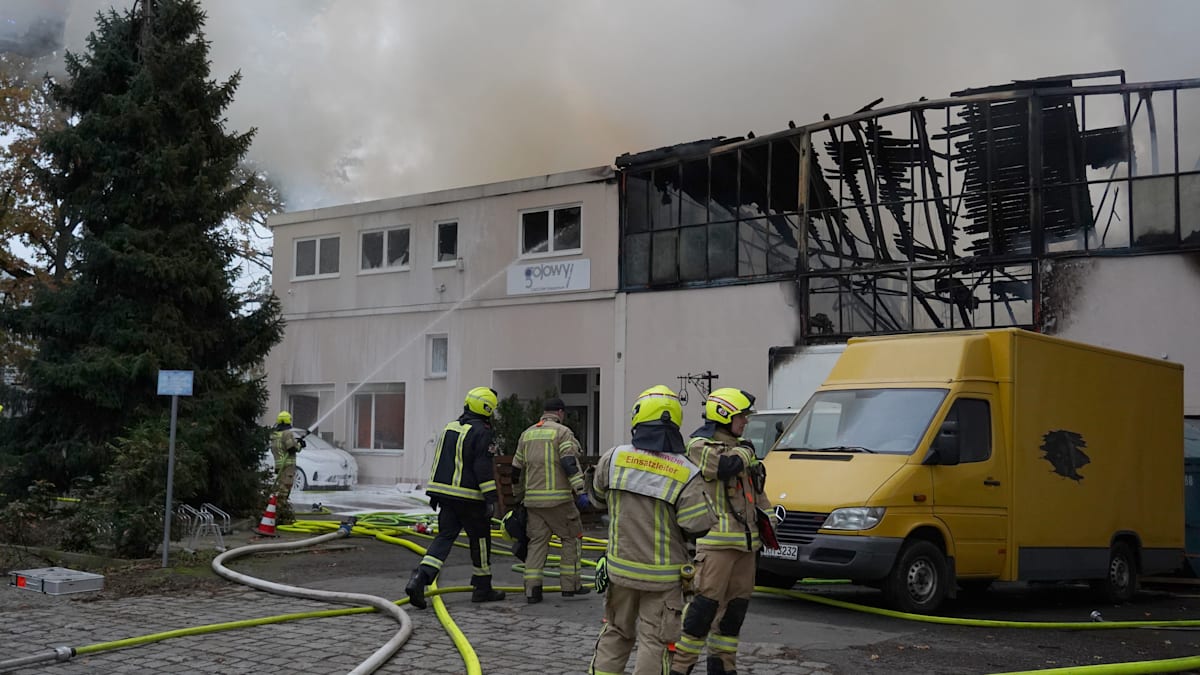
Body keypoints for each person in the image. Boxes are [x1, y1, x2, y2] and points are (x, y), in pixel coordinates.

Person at [589, 386, 716, 675]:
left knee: (616, 633)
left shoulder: (614, 458)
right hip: (662, 579)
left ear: (638, 418)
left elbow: (596, 500)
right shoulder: (686, 470)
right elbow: (697, 525)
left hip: (619, 571)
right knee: (654, 641)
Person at [670, 388, 774, 675]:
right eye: (742, 416)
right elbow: (725, 466)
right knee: (701, 613)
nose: (746, 421)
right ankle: (679, 668)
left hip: (747, 545)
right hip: (715, 546)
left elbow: (755, 490)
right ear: (725, 415)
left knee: (733, 616)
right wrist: (746, 451)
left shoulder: (742, 448)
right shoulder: (699, 446)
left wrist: (769, 518)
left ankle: (724, 668)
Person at [405, 386, 506, 609]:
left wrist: (434, 493)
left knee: (444, 538)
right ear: (487, 408)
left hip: (446, 498)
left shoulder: (450, 427)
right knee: (480, 540)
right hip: (470, 499)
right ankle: (482, 587)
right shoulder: (482, 432)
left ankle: (420, 578)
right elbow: (482, 467)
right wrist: (490, 498)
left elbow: (439, 461)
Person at [512, 397, 589, 603]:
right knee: (572, 537)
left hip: (533, 502)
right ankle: (570, 586)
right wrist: (580, 490)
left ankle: (532, 590)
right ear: (560, 413)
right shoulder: (562, 433)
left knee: (537, 543)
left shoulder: (526, 434)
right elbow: (568, 462)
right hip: (559, 501)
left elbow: (516, 469)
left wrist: (518, 495)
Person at [270, 411, 303, 524]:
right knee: (284, 491)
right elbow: (291, 449)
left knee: (280, 489)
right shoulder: (287, 433)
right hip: (287, 466)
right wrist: (300, 445)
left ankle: (277, 512)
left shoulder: (275, 434)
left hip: (279, 466)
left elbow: (282, 447)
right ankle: (280, 514)